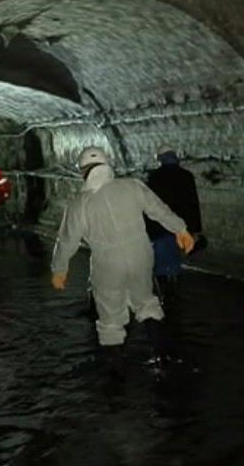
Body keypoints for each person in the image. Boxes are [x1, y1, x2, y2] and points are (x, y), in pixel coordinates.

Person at [50, 146, 195, 361]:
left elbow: (67, 240)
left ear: (83, 172)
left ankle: (116, 376)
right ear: (107, 165)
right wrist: (181, 229)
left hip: (107, 262)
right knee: (146, 302)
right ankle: (160, 358)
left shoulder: (78, 204)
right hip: (140, 254)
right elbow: (158, 209)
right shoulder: (131, 186)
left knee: (110, 317)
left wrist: (59, 269)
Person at [145, 147, 204, 305]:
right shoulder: (187, 176)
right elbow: (193, 205)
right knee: (174, 261)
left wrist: (145, 231)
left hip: (160, 229)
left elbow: (148, 207)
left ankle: (164, 297)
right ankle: (174, 295)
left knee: (160, 264)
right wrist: (195, 230)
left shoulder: (154, 177)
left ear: (161, 158)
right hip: (181, 229)